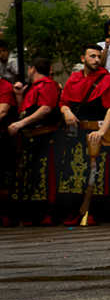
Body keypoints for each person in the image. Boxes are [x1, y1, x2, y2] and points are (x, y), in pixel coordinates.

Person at [59, 44, 110, 223]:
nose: (96, 60)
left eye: (98, 56)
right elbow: (64, 102)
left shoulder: (108, 79)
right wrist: (67, 112)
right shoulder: (74, 78)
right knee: (75, 173)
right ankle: (75, 212)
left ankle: (93, 213)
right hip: (78, 133)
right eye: (92, 56)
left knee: (98, 174)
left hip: (99, 132)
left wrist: (102, 131)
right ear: (83, 59)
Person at [8, 57, 62, 225]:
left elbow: (46, 108)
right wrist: (18, 96)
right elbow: (25, 110)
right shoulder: (33, 88)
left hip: (44, 139)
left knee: (43, 177)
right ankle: (29, 214)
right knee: (30, 177)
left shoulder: (47, 85)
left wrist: (20, 123)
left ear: (32, 69)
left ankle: (44, 214)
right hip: (31, 140)